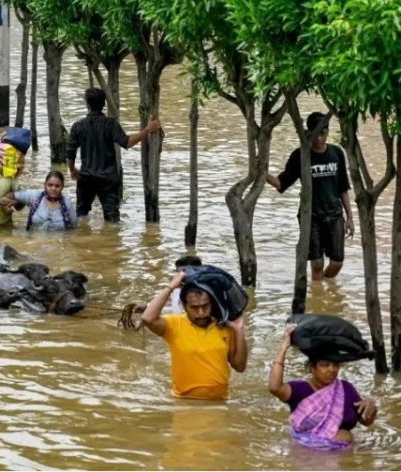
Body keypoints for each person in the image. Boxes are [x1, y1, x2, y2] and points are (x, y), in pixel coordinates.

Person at [267, 112, 354, 281]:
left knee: (337, 262)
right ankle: (317, 296)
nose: (320, 138)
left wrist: (349, 217)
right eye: (317, 133)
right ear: (309, 132)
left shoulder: (337, 153)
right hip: (311, 217)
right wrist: (261, 172)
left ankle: (325, 290)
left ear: (328, 131)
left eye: (324, 132)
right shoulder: (301, 155)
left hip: (335, 215)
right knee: (316, 264)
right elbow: (280, 183)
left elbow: (343, 188)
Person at [141, 270, 248, 400]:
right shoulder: (174, 325)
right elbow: (147, 318)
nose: (201, 313)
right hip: (185, 402)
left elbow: (240, 366)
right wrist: (171, 286)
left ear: (212, 304)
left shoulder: (223, 326)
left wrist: (239, 331)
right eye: (194, 308)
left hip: (220, 402)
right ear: (185, 306)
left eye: (205, 306)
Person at [269, 324, 377, 449]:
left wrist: (372, 408)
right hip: (306, 456)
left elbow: (366, 422)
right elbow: (274, 388)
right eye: (325, 365)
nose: (332, 370)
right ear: (311, 368)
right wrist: (283, 347)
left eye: (335, 365)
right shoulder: (299, 390)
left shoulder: (346, 389)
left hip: (343, 460)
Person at [67, 87, 162, 222]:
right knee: (112, 218)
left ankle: (82, 240)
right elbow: (127, 143)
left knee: (81, 215)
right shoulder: (110, 124)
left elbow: (70, 152)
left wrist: (72, 169)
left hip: (86, 177)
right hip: (108, 179)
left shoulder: (78, 126)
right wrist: (147, 130)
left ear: (87, 104)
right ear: (104, 104)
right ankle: (114, 241)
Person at [1, 171, 78, 232]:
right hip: (34, 244)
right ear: (45, 185)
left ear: (62, 187)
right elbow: (10, 195)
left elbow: (74, 231)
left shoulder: (68, 206)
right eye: (50, 185)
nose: (53, 188)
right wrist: (6, 205)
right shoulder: (35, 196)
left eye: (57, 186)